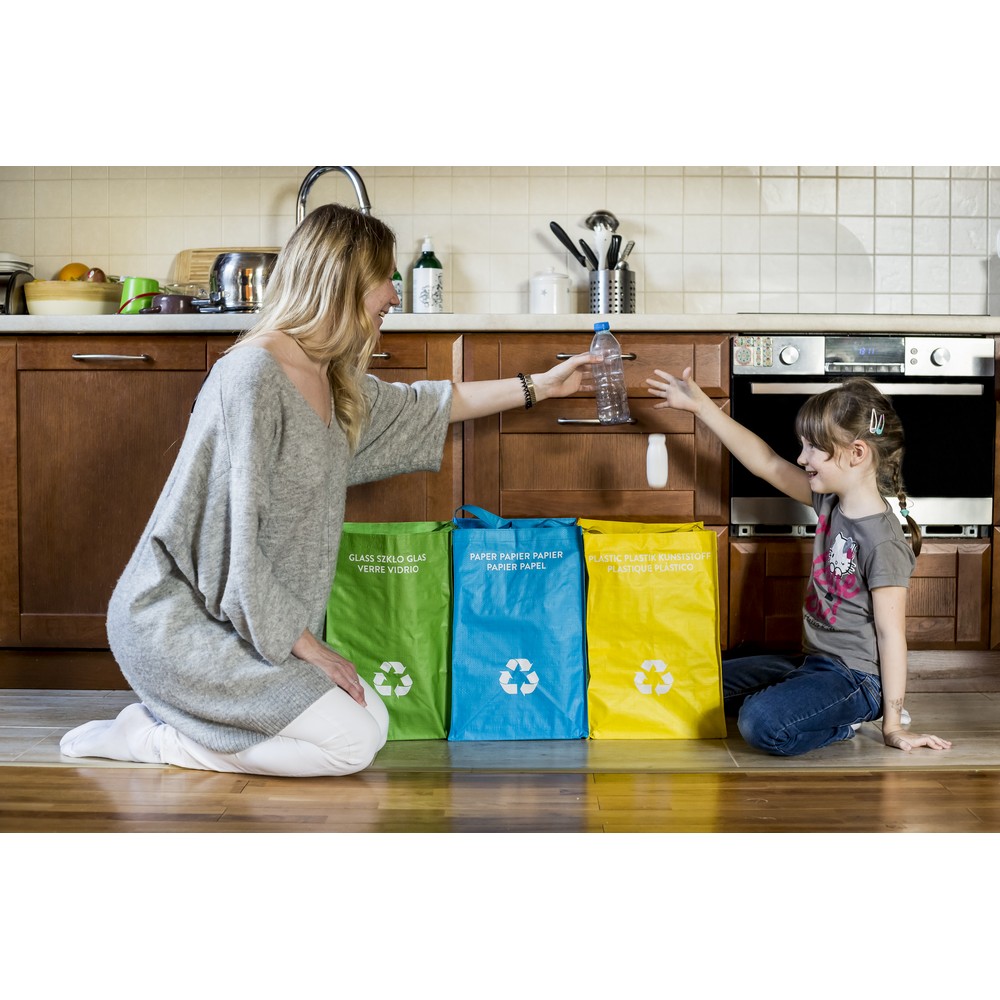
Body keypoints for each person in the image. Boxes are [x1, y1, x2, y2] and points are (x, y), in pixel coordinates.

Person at [59, 203, 596, 778]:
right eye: (385, 277)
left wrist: (542, 386)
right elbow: (225, 545)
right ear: (343, 281)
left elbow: (429, 406)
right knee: (350, 745)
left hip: (248, 625)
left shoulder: (331, 380)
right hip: (183, 624)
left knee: (375, 721)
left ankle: (186, 725)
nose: (394, 294)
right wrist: (308, 647)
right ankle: (151, 737)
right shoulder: (251, 376)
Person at [646, 366, 953, 757]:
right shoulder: (830, 501)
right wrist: (701, 406)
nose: (801, 457)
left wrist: (892, 725)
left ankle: (847, 720)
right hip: (813, 663)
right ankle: (806, 702)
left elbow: (892, 636)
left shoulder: (884, 541)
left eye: (812, 448)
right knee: (693, 681)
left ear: (857, 453)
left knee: (759, 723)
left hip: (856, 679)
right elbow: (767, 463)